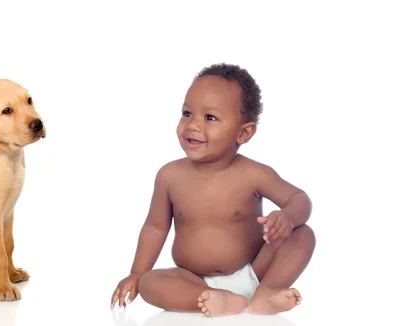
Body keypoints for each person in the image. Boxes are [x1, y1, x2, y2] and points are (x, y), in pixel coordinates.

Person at [110, 63, 316, 317]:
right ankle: (215, 300)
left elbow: (299, 199)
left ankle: (268, 292)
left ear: (244, 133)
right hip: (192, 279)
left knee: (303, 235)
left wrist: (287, 217)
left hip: (255, 270)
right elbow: (155, 227)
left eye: (210, 118)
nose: (193, 125)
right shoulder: (169, 176)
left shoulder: (254, 174)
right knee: (150, 283)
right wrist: (136, 273)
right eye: (187, 113)